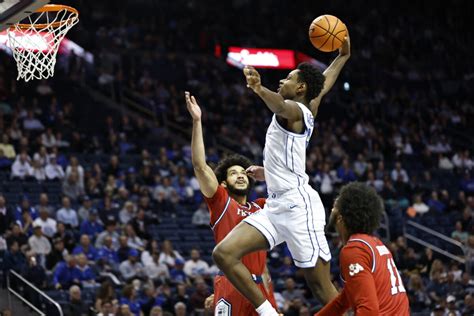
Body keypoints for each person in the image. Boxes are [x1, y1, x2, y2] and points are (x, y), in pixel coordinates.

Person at [211, 34, 351, 316]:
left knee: (321, 287)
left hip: (300, 207)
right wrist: (342, 56)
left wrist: (260, 89)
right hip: (276, 204)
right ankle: (268, 312)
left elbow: (280, 106)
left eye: (287, 78)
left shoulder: (296, 110)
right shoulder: (309, 104)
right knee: (223, 254)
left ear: (300, 88)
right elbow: (324, 82)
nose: (282, 81)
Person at [185, 91, 277, 315]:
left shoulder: (262, 205)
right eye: (233, 173)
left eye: (243, 173)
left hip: (262, 287)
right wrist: (197, 121)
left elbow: (293, 188)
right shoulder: (221, 202)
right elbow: (199, 166)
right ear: (223, 183)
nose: (241, 175)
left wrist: (268, 174)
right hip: (232, 284)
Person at [316, 182, 410, 315]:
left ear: (341, 218)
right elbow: (344, 300)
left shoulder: (354, 249)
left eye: (336, 205)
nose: (332, 207)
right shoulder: (375, 243)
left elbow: (369, 311)